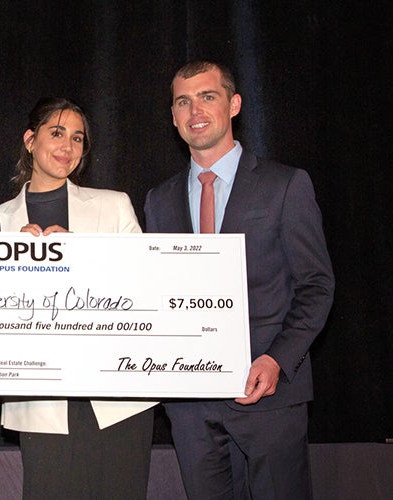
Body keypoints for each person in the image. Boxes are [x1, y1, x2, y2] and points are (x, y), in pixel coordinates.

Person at [144, 60, 335, 499]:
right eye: (183, 101)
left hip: (269, 395)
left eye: (207, 97)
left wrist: (276, 360)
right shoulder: (159, 200)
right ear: (173, 117)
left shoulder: (285, 185)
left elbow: (317, 286)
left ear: (234, 104)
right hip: (191, 405)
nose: (196, 110)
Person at [0, 97, 155, 499]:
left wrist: (85, 258)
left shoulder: (112, 205)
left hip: (118, 399)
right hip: (41, 402)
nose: (67, 146)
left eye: (78, 138)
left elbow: (147, 290)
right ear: (30, 140)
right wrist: (6, 267)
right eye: (56, 133)